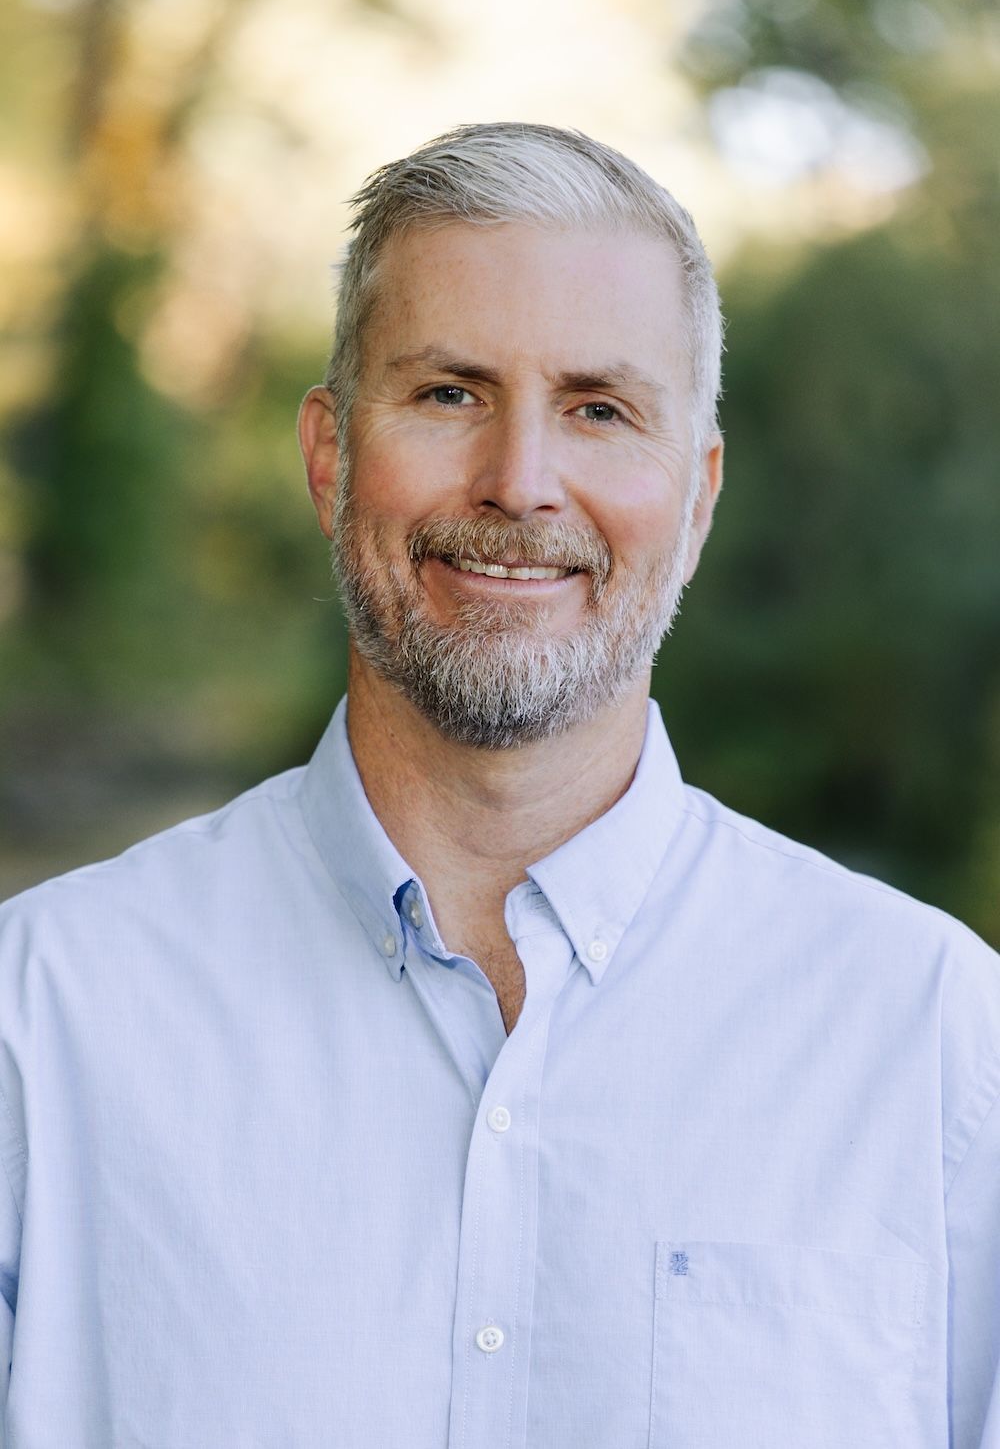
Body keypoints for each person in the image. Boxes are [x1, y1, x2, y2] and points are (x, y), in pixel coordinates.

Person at [0, 122, 997, 1449]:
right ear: (328, 457)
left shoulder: (935, 1042)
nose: (521, 482)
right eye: (450, 393)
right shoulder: (44, 1021)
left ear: (696, 496)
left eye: (599, 408)